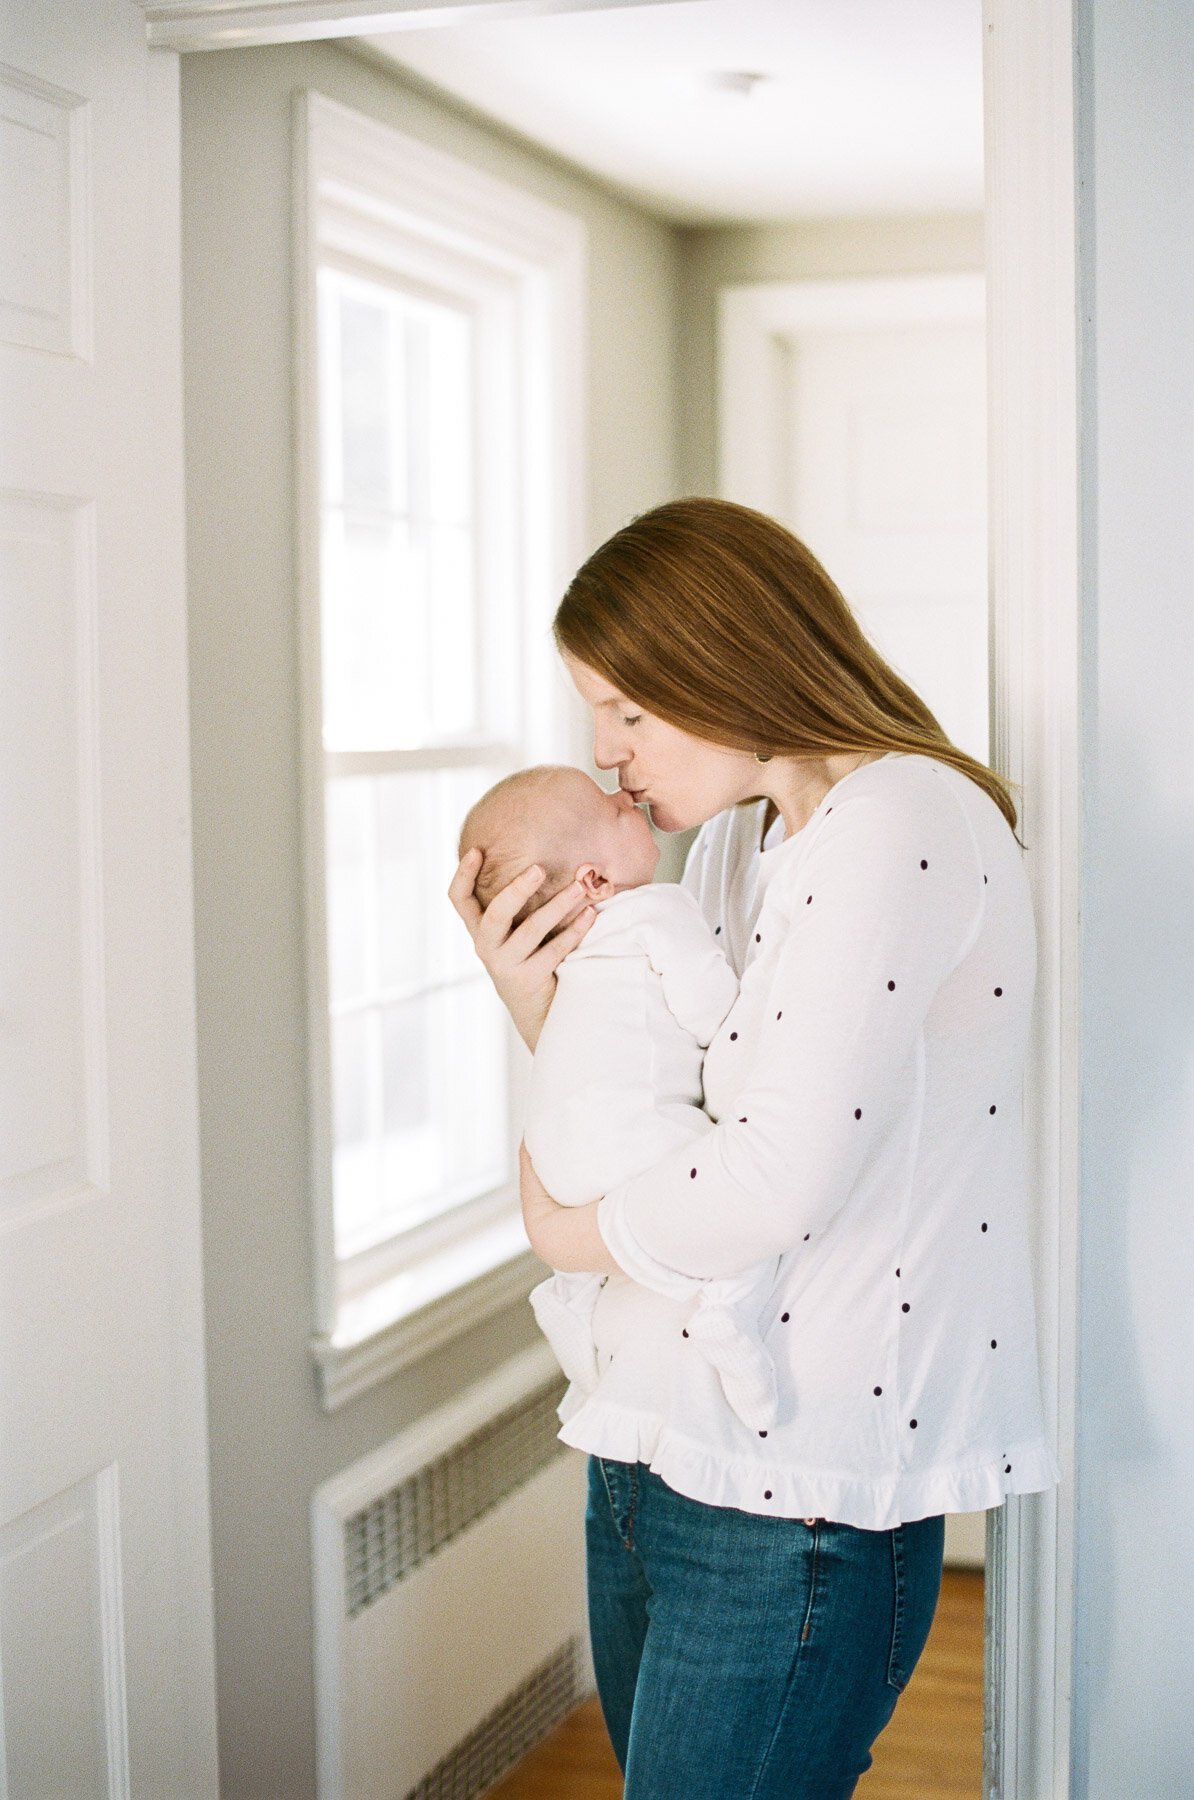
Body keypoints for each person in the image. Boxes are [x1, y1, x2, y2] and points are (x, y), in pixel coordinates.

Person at [448, 498, 1060, 1800]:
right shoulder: (736, 842)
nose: (607, 758)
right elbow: (650, 1106)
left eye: (624, 711)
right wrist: (531, 1002)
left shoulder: (900, 821)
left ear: (720, 658)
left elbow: (773, 1172)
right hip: (650, 1445)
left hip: (795, 1490)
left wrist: (567, 1236)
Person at [456, 762, 781, 1430]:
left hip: (561, 1155)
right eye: (611, 809)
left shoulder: (569, 953)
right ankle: (726, 1311)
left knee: (614, 1253)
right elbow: (716, 1013)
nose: (622, 788)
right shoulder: (655, 911)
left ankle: (571, 1302)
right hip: (636, 1135)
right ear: (595, 880)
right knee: (732, 1218)